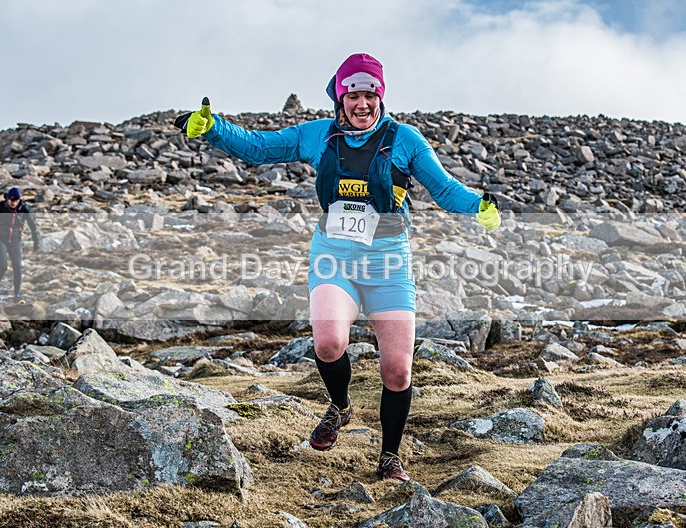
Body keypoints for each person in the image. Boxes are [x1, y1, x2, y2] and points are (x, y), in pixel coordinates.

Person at [181, 53, 501, 482]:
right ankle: (341, 406)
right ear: (340, 97)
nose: (362, 103)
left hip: (388, 260)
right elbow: (260, 148)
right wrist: (215, 129)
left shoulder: (404, 139)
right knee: (329, 343)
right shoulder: (319, 136)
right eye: (353, 95)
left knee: (398, 370)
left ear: (381, 97)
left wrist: (477, 206)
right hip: (334, 256)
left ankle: (389, 458)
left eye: (370, 94)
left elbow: (443, 189)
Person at [0, 187, 41, 304]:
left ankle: (17, 297)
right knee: (3, 266)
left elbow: (34, 228)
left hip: (16, 241)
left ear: (19, 200)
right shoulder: (0, 206)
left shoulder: (24, 209)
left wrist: (36, 243)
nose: (13, 203)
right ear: (7, 199)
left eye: (16, 201)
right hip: (1, 240)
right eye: (11, 200)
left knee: (17, 267)